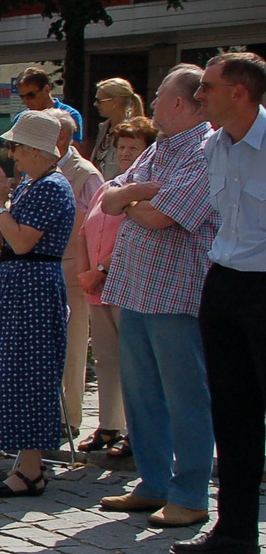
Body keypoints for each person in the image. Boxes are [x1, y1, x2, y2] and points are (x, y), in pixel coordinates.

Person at [94, 67, 218, 530]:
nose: (152, 103)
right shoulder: (161, 148)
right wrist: (138, 194)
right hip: (136, 289)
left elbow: (162, 217)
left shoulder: (206, 150)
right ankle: (153, 482)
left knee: (185, 396)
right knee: (142, 393)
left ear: (181, 103)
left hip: (176, 294)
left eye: (161, 96)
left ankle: (190, 493)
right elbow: (110, 199)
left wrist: (138, 197)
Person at [179, 52, 266, 554]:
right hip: (225, 282)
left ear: (239, 92)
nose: (199, 96)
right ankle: (234, 531)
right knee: (232, 413)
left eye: (207, 87)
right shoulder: (213, 144)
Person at [0, 109, 77, 499]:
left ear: (34, 149)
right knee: (15, 374)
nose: (12, 154)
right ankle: (25, 463)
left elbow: (22, 242)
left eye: (16, 146)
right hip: (20, 286)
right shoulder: (35, 184)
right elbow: (0, 244)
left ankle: (31, 468)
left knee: (31, 375)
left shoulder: (52, 187)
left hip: (34, 287)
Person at [71, 117, 155, 459]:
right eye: (121, 147)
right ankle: (109, 424)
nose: (125, 153)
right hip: (96, 287)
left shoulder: (146, 189)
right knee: (106, 359)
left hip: (126, 284)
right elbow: (85, 233)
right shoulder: (110, 187)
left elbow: (136, 239)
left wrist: (102, 269)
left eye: (133, 147)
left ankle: (139, 431)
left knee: (135, 362)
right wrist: (85, 272)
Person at [51, 110, 106, 441]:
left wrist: (91, 271)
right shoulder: (39, 167)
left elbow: (93, 229)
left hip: (72, 271)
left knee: (72, 349)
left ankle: (68, 418)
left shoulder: (86, 174)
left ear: (61, 138)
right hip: (45, 269)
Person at [11, 65, 83, 145]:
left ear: (46, 89)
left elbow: (73, 149)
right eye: (22, 96)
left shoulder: (70, 115)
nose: (25, 101)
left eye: (30, 95)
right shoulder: (21, 118)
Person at [89, 78, 145, 179]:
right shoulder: (104, 129)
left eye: (99, 101)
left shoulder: (133, 132)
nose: (95, 104)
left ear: (115, 101)